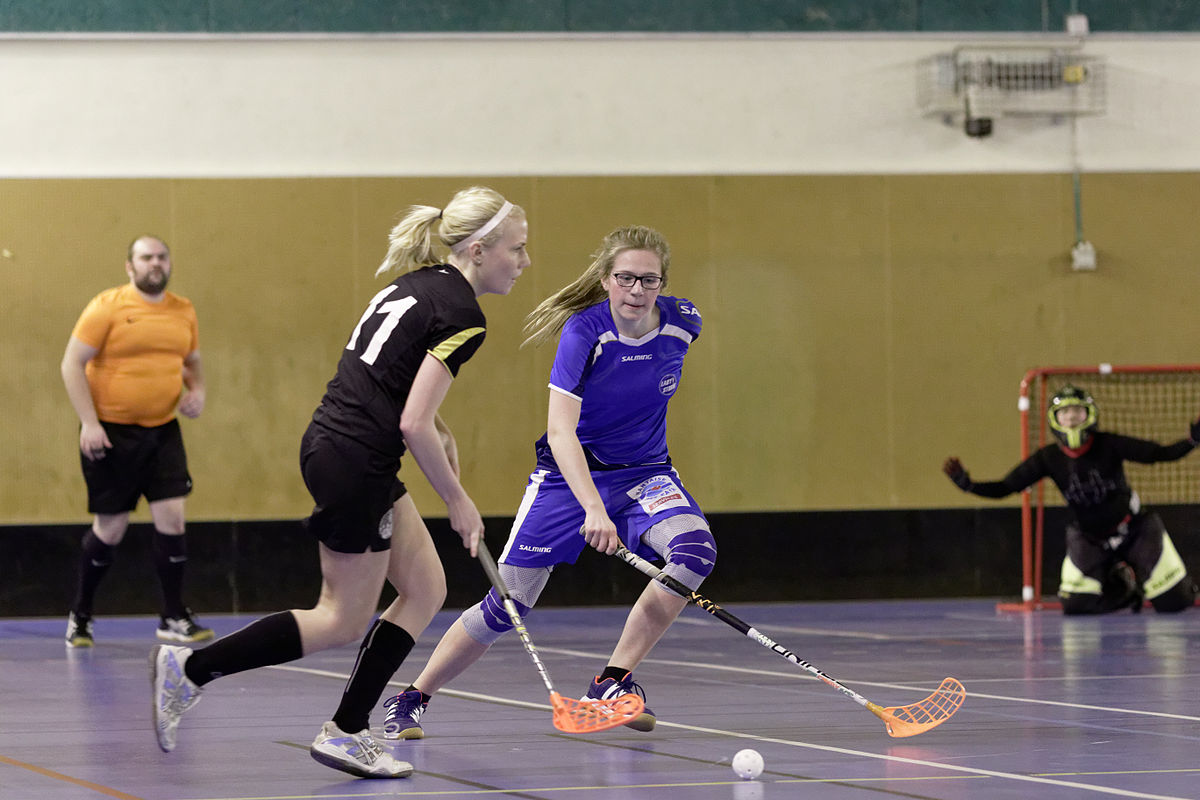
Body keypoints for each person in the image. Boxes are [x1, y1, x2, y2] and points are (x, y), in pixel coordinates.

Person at [148, 186, 530, 779]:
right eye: (517, 249)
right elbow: (411, 420)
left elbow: (389, 377)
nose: (523, 262)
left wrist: (440, 429)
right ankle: (192, 671)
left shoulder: (417, 285)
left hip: (344, 449)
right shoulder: (463, 315)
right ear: (479, 250)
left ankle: (347, 730)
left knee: (426, 586)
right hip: (356, 460)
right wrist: (459, 500)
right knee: (342, 618)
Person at [379, 224, 716, 740]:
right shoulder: (585, 333)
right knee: (507, 605)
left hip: (646, 475)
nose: (636, 291)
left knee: (694, 553)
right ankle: (412, 696)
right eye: (625, 278)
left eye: (649, 281)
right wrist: (593, 510)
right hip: (566, 478)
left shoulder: (683, 323)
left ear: (663, 284)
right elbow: (562, 432)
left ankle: (611, 681)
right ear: (606, 279)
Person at [60, 235, 212, 648]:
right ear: (130, 266)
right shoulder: (107, 307)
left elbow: (192, 363)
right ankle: (81, 614)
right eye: (146, 258)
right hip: (111, 433)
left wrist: (196, 391)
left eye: (162, 256)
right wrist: (89, 424)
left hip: (163, 431)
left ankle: (172, 614)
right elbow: (71, 364)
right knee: (110, 528)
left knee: (173, 519)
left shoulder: (183, 310)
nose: (155, 263)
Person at [944, 384, 1200, 614]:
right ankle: (1124, 586)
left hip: (1134, 529)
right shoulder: (1048, 458)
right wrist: (969, 486)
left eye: (1078, 411)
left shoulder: (1109, 444)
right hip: (1089, 537)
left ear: (1089, 416)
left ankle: (1177, 587)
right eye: (1065, 413)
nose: (1072, 417)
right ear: (1055, 421)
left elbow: (1160, 454)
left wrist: (1192, 441)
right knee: (1076, 605)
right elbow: (1006, 487)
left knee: (1173, 603)